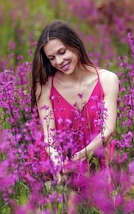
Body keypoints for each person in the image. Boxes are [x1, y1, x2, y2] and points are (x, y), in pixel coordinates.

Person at [30, 20, 119, 183]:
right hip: (58, 160)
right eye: (51, 58)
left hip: (95, 156)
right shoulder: (44, 85)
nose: (58, 61)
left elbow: (108, 131)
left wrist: (78, 158)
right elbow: (49, 137)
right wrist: (58, 164)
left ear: (75, 44)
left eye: (62, 52)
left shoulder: (108, 80)